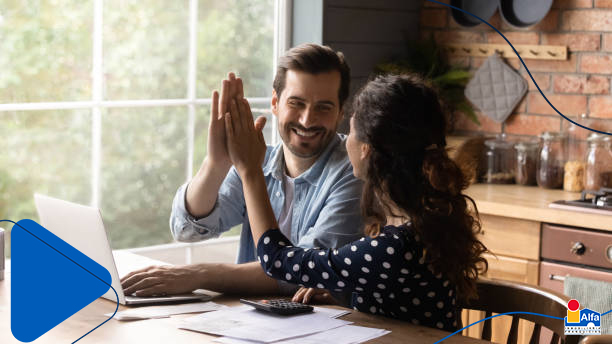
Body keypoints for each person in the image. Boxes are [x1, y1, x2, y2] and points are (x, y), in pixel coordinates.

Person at [223, 73, 488, 331]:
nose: (344, 139)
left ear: (366, 149)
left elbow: (276, 260)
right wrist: (346, 296)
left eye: (349, 130)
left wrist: (250, 171)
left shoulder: (394, 247)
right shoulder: (420, 225)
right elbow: (402, 300)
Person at [120, 44, 363, 297]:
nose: (306, 120)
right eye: (296, 103)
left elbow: (304, 272)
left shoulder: (354, 172)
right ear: (274, 103)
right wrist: (216, 163)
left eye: (323, 107)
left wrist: (199, 274)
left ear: (340, 112)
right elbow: (186, 229)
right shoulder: (258, 159)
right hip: (248, 320)